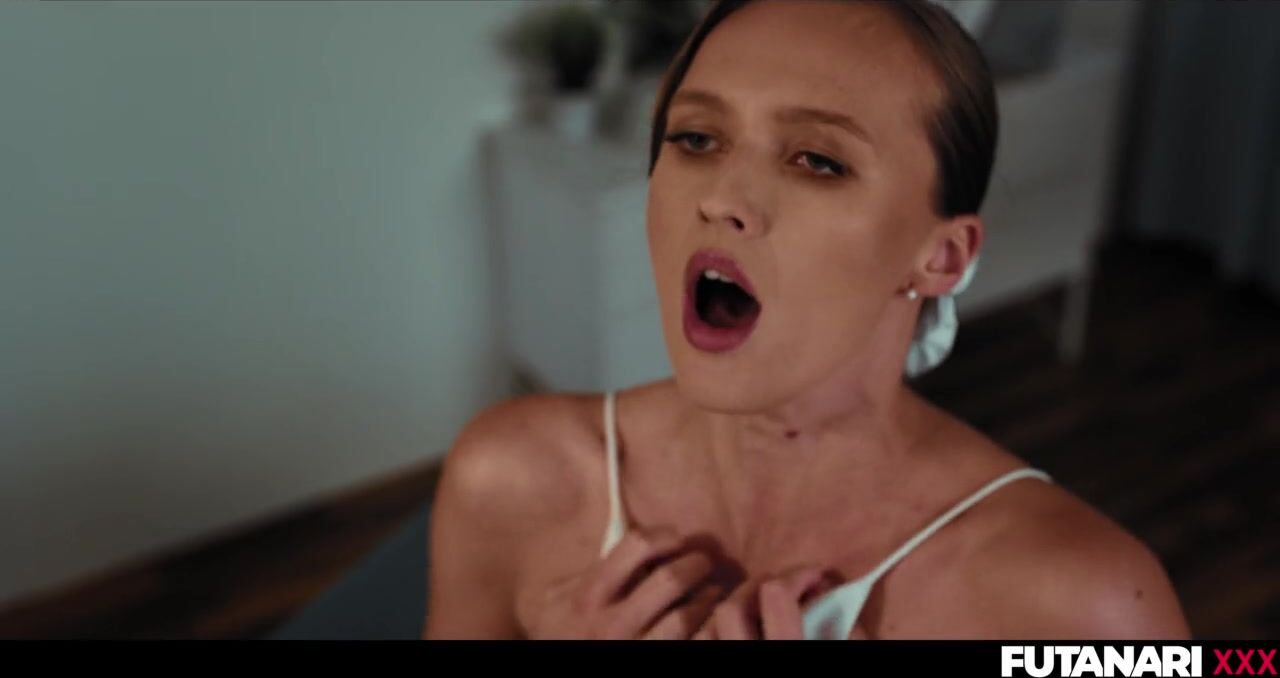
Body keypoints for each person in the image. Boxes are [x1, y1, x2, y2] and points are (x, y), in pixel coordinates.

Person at [423, 0, 1191, 640]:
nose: (720, 197)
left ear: (942, 258)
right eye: (696, 138)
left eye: (819, 160)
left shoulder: (1087, 608)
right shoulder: (511, 479)